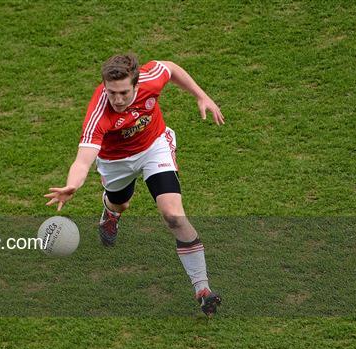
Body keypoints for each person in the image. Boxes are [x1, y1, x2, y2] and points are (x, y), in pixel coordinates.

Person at [44, 54, 225, 316]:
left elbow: (171, 68)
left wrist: (200, 95)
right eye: (111, 92)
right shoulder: (99, 113)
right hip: (115, 160)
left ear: (137, 85)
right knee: (121, 201)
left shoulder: (150, 79)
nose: (117, 100)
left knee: (173, 214)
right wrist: (72, 186)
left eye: (124, 93)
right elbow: (83, 161)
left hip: (154, 148)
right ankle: (111, 212)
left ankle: (202, 289)